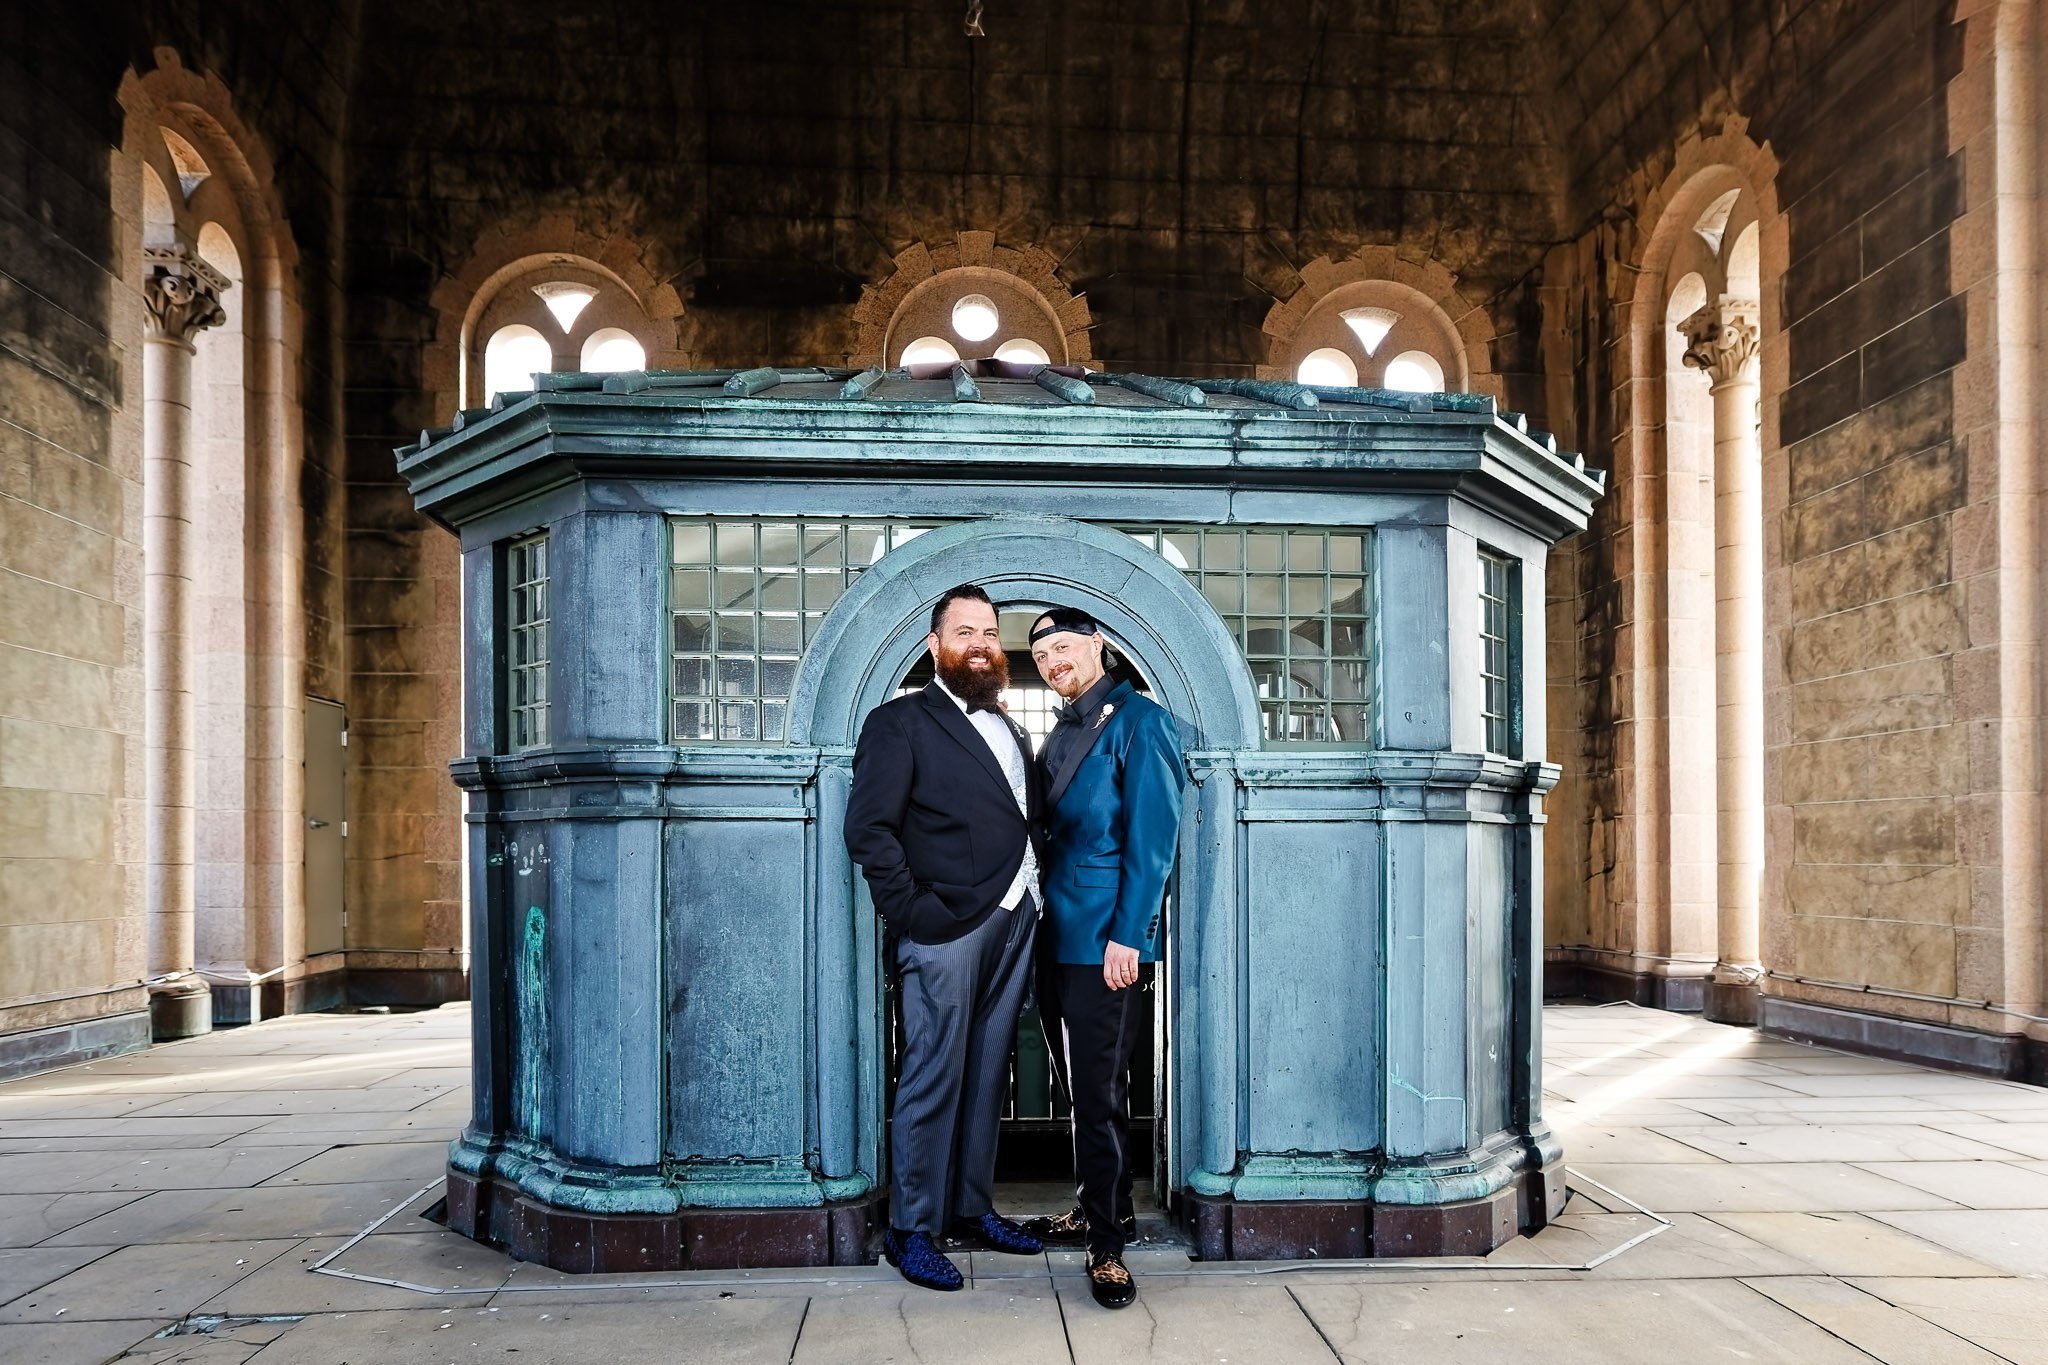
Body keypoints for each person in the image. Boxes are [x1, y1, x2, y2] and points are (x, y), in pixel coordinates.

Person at [843, 583, 1047, 1291]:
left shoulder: (1010, 723)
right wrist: (914, 914)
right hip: (945, 926)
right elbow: (868, 830)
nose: (982, 644)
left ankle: (970, 1208)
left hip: (1017, 916)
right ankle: (912, 1228)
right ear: (936, 646)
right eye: (965, 632)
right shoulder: (899, 722)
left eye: (990, 632)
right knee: (932, 1073)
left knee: (988, 1073)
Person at [1024, 607, 1184, 1310]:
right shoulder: (1062, 727)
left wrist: (1132, 936)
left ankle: (1108, 1248)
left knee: (1099, 1093)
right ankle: (1101, 1206)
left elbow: (1154, 839)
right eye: (1042, 655)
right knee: (1080, 1090)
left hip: (1104, 946)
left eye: (1064, 646)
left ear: (1099, 643)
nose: (1054, 661)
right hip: (1052, 938)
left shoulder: (1138, 720)